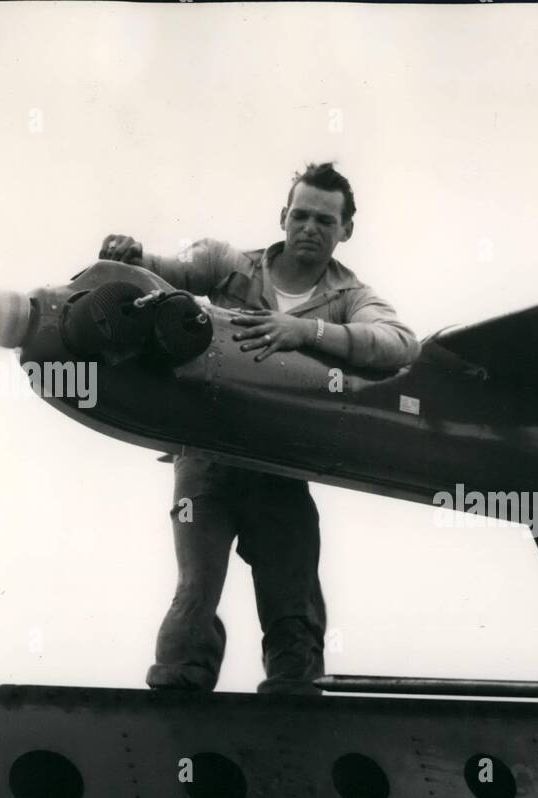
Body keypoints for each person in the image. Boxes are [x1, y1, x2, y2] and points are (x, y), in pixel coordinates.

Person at [99, 163, 420, 693]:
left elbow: (401, 343)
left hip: (280, 466)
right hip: (205, 460)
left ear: (346, 231)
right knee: (194, 590)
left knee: (292, 596)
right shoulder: (228, 265)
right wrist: (128, 258)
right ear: (283, 217)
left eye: (324, 219)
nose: (309, 228)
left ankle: (294, 706)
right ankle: (178, 700)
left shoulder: (349, 296)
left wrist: (308, 330)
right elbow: (158, 272)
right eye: (300, 215)